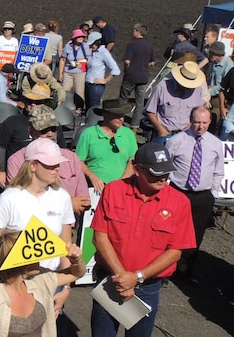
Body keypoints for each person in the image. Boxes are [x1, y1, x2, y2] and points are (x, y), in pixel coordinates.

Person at [90, 143, 196, 337]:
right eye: (155, 173)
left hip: (147, 287)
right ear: (137, 169)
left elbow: (176, 251)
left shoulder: (180, 202)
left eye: (166, 172)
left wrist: (136, 277)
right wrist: (123, 277)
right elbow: (99, 236)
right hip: (110, 280)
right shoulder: (113, 190)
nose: (163, 178)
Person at [0, 138, 75, 321]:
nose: (56, 168)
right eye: (50, 164)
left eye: (58, 164)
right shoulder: (9, 198)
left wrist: (66, 289)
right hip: (14, 281)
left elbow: (66, 247)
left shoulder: (62, 197)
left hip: (51, 282)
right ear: (32, 165)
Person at [0, 230, 85, 337]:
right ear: (19, 262)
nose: (40, 258)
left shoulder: (40, 279)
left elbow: (76, 274)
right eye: (33, 254)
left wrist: (76, 261)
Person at [164, 106, 223, 281]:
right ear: (191, 120)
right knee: (169, 231)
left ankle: (185, 271)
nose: (200, 126)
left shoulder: (215, 143)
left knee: (195, 235)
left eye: (204, 123)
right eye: (197, 122)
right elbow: (165, 166)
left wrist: (213, 192)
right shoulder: (176, 141)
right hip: (178, 191)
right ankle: (165, 270)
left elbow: (218, 171)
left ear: (210, 122)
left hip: (203, 195)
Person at [6, 105, 91, 219]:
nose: (50, 134)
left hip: (66, 227)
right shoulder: (16, 161)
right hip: (31, 229)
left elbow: (83, 201)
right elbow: (16, 203)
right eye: (44, 130)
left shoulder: (71, 158)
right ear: (30, 130)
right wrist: (67, 204)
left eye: (53, 129)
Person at [0, 84, 60, 186]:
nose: (33, 104)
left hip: (46, 178)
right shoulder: (13, 121)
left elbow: (62, 150)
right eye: (29, 101)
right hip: (18, 177)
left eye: (38, 102)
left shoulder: (54, 124)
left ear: (46, 103)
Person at [76, 99, 137, 192]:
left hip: (122, 186)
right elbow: (78, 161)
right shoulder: (89, 134)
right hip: (95, 187)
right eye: (117, 115)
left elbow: (132, 161)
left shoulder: (128, 134)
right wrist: (93, 177)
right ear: (106, 114)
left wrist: (121, 182)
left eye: (123, 115)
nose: (121, 119)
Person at [146, 61, 207, 144]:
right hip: (165, 133)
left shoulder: (198, 90)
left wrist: (190, 127)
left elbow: (198, 113)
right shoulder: (162, 87)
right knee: (160, 157)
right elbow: (150, 111)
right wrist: (161, 130)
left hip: (187, 135)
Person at [120, 24, 155, 132]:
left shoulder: (132, 45)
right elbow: (152, 62)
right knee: (139, 103)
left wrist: (127, 69)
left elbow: (127, 61)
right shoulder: (149, 45)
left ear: (137, 31)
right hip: (143, 77)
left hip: (130, 77)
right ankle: (134, 126)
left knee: (123, 100)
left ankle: (119, 120)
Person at [85, 32, 120, 109]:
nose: (91, 46)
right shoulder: (94, 52)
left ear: (99, 42)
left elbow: (116, 69)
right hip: (89, 85)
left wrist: (106, 80)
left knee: (94, 109)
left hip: (96, 87)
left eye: (92, 44)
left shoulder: (104, 52)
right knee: (89, 109)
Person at [59, 29, 90, 112]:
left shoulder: (85, 46)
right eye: (79, 36)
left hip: (80, 73)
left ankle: (79, 109)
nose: (81, 38)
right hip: (68, 72)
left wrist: (82, 64)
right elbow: (63, 60)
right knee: (65, 91)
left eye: (82, 37)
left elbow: (89, 59)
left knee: (79, 92)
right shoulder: (68, 47)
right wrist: (61, 74)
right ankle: (64, 108)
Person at [205, 41, 233, 133]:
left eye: (212, 53)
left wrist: (207, 91)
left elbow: (223, 86)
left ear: (218, 54)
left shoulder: (228, 65)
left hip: (220, 99)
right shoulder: (213, 63)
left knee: (213, 120)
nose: (210, 54)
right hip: (210, 96)